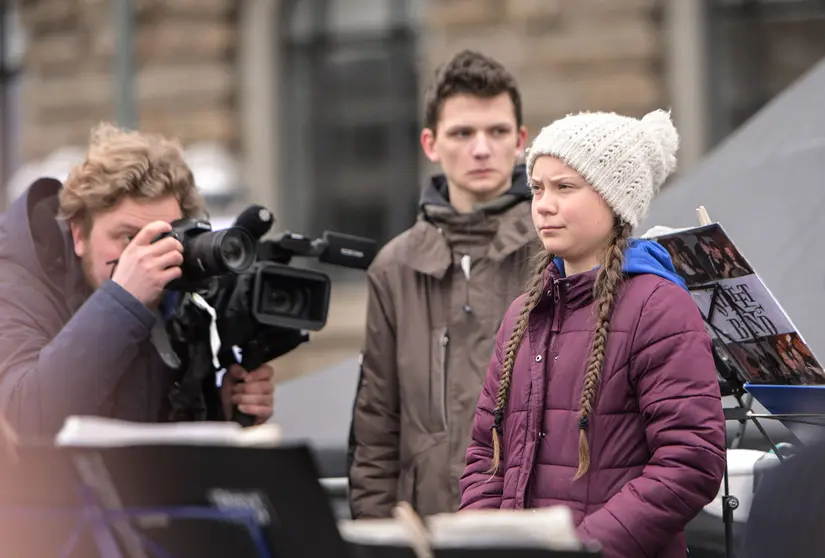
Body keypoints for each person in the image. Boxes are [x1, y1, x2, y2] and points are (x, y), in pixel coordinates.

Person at [459, 109, 727, 558]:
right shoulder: (521, 314)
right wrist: (484, 543)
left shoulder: (659, 307)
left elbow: (689, 461)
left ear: (614, 200)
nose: (544, 204)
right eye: (538, 188)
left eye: (565, 187)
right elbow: (485, 455)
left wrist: (582, 549)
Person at [347, 50, 541, 518]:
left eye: (496, 132)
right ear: (431, 144)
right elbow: (377, 426)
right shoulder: (394, 267)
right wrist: (376, 541)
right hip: (427, 528)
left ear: (520, 141)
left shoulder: (553, 250)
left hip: (532, 527)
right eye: (462, 133)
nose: (480, 148)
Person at [0, 123, 275, 440]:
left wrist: (220, 415)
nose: (146, 256)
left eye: (163, 238)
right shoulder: (15, 284)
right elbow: (22, 420)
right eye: (128, 237)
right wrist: (123, 301)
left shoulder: (175, 286)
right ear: (79, 234)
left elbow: (152, 438)